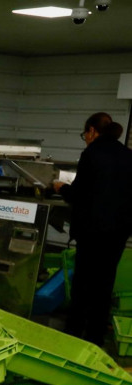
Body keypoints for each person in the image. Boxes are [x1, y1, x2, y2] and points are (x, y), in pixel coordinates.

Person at [52, 112, 132, 346]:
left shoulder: (92, 154)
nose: (85, 138)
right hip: (118, 233)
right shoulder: (128, 155)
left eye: (85, 134)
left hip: (92, 231)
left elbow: (79, 194)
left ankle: (74, 331)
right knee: (105, 282)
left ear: (92, 131)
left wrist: (60, 188)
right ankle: (96, 335)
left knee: (83, 282)